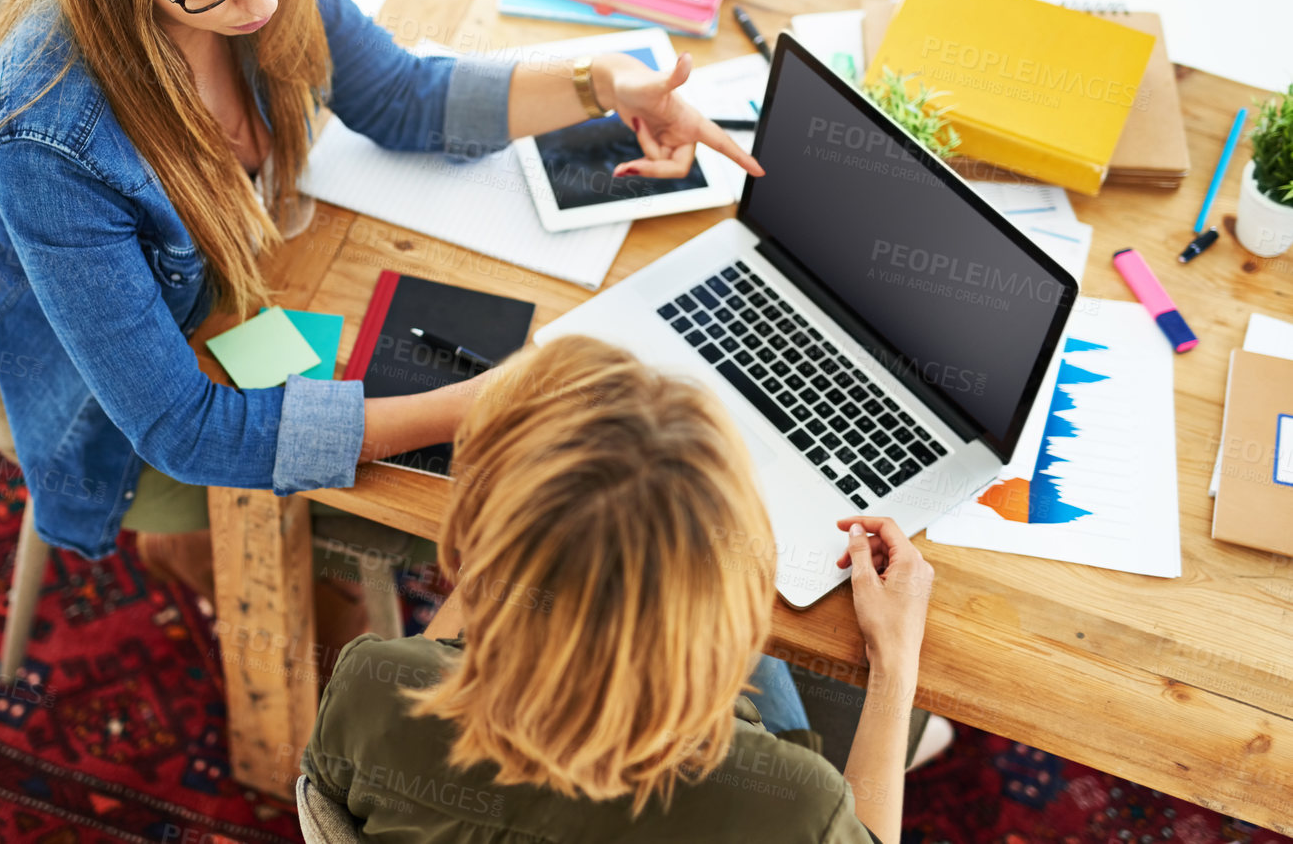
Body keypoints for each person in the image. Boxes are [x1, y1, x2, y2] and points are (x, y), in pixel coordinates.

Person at [0, 0, 762, 637]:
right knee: (538, 497)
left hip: (256, 279)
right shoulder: (48, 142)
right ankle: (213, 557)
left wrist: (603, 83)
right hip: (132, 422)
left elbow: (400, 96)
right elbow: (182, 430)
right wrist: (475, 404)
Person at [303, 335, 938, 844]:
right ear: (727, 612)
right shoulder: (798, 804)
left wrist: (521, 513)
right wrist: (895, 663)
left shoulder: (373, 685)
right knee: (902, 717)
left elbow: (335, 799)